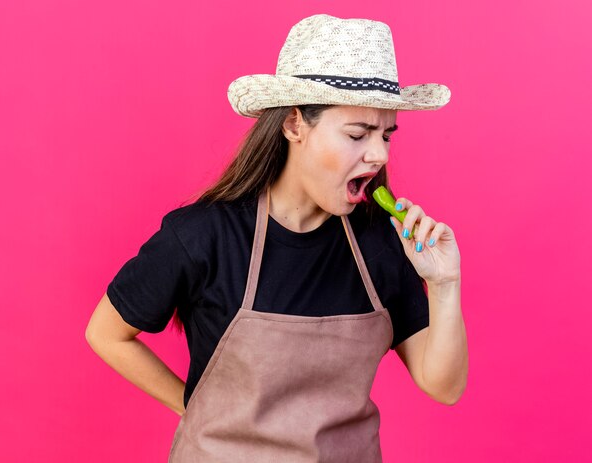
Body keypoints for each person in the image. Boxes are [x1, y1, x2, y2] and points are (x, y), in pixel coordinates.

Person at [85, 14, 468, 462]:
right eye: (357, 134)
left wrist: (444, 284)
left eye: (386, 134)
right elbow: (106, 333)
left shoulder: (381, 243)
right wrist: (195, 411)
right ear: (293, 125)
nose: (378, 154)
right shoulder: (204, 235)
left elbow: (444, 386)